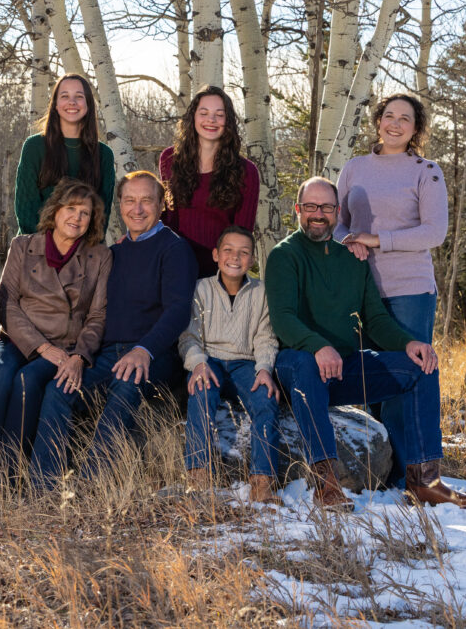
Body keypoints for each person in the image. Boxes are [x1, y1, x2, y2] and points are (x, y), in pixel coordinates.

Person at [265, 178, 466, 511]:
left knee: (420, 367)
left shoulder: (353, 260)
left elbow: (376, 319)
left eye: (326, 207)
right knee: (306, 364)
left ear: (338, 213)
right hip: (296, 367)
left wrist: (409, 343)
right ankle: (327, 485)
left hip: (343, 367)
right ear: (298, 210)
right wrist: (318, 345)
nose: (318, 214)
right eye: (310, 206)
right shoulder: (285, 255)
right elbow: (283, 319)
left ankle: (424, 480)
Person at [30, 171, 196, 489]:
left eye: (147, 200)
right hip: (107, 354)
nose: (137, 208)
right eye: (129, 200)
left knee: (126, 385)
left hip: (154, 354)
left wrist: (144, 349)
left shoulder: (175, 250)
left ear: (162, 205)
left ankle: (90, 485)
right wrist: (80, 355)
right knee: (59, 389)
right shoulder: (114, 253)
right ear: (119, 205)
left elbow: (178, 312)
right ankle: (43, 488)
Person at [333, 93, 447, 488]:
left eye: (406, 119)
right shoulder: (354, 168)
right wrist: (350, 240)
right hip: (360, 287)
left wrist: (377, 239)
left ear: (416, 129)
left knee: (415, 371)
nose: (395, 124)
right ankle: (386, 467)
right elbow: (336, 224)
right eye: (389, 116)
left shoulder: (425, 170)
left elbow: (434, 232)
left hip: (409, 287)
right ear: (378, 120)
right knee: (375, 377)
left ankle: (422, 472)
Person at [0, 179, 112, 463]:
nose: (77, 217)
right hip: (18, 338)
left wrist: (79, 356)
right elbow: (7, 304)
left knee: (28, 380)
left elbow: (97, 315)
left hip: (64, 345)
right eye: (71, 208)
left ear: (93, 220)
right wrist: (39, 346)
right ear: (55, 210)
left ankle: (10, 469)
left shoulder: (99, 256)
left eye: (85, 213)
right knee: (0, 376)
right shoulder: (23, 246)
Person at [177, 226, 280, 501]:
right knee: (201, 393)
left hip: (245, 364)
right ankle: (198, 476)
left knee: (266, 399)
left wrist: (264, 369)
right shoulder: (200, 289)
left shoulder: (262, 292)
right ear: (215, 254)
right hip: (208, 360)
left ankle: (262, 481)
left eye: (244, 252)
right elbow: (188, 336)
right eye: (228, 250)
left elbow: (266, 336)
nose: (235, 257)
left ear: (253, 259)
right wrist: (198, 363)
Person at [159, 86, 260, 277]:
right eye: (203, 113)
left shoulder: (246, 171)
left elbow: (242, 235)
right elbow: (164, 218)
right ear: (193, 118)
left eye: (219, 115)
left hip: (220, 272)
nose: (211, 120)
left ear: (228, 121)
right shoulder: (169, 159)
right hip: (175, 265)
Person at [14, 73, 115, 234]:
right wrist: (50, 248)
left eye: (79, 96)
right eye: (65, 96)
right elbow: (26, 209)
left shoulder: (104, 154)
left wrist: (82, 250)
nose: (72, 102)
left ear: (88, 104)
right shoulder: (34, 146)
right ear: (55, 104)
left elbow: (102, 215)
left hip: (83, 250)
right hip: (35, 247)